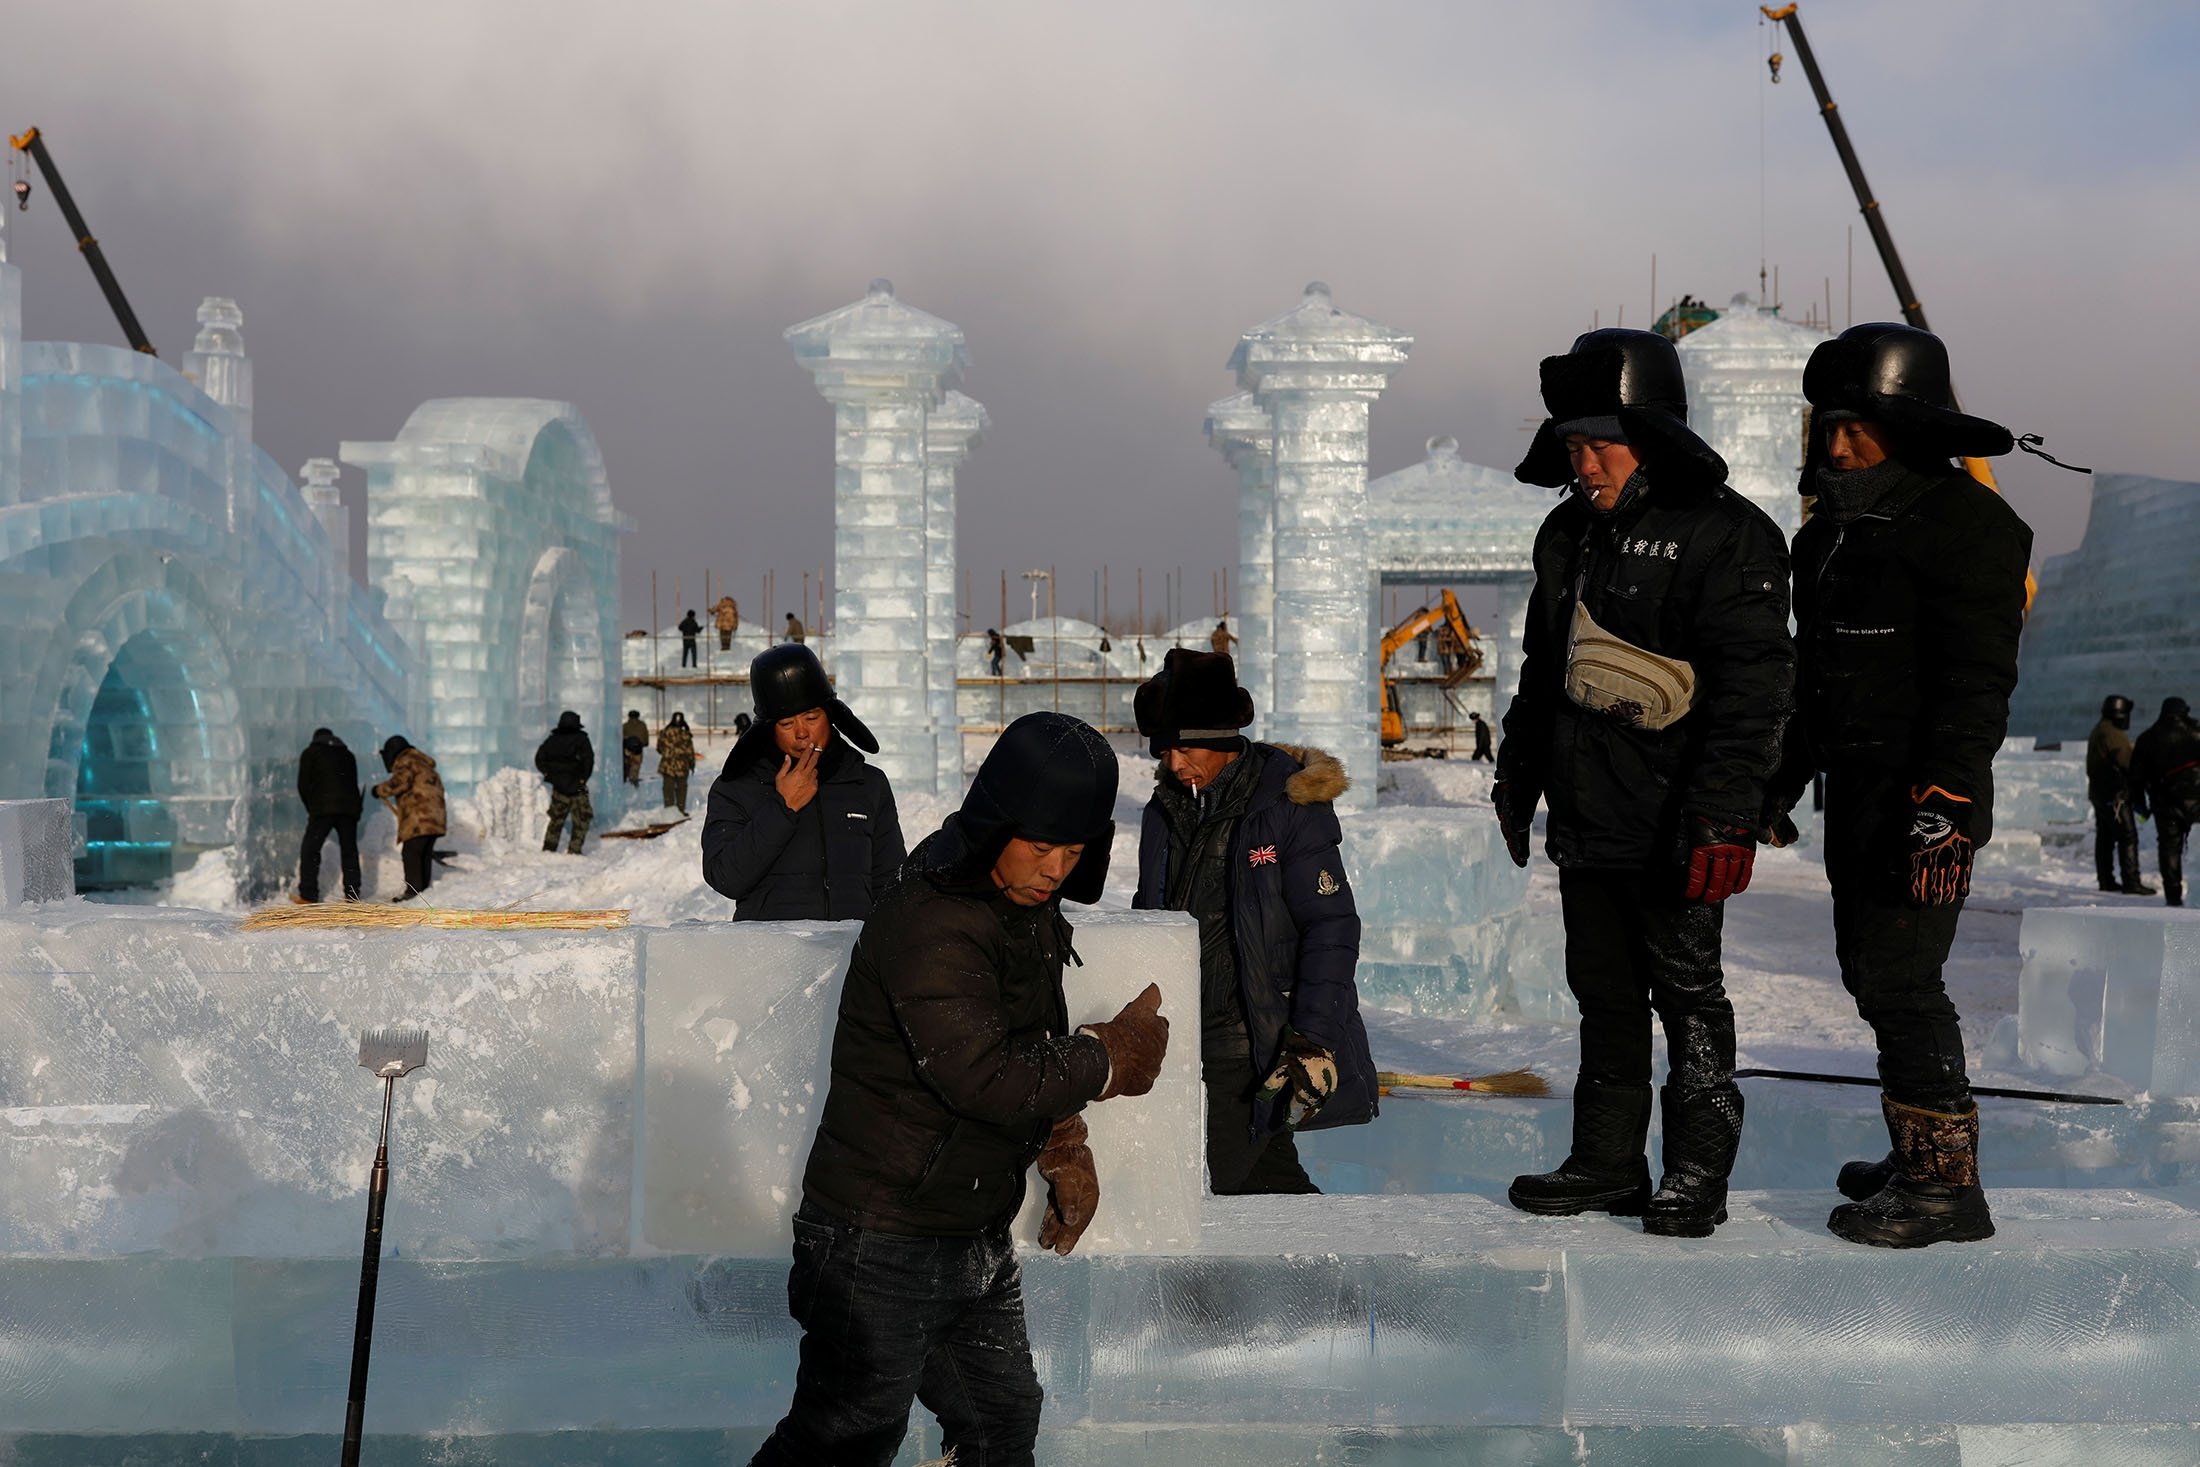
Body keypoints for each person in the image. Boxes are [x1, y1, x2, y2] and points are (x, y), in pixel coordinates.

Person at [747, 713, 1170, 1467]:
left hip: (965, 1226)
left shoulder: (1023, 908)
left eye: (1073, 851)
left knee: (1000, 1419)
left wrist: (1064, 1141)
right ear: (995, 822)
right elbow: (982, 1072)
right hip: (877, 1238)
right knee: (844, 1437)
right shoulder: (935, 916)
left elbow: (1026, 1036)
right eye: (1040, 846)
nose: (1054, 868)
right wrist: (1106, 1059)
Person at [1496, 328, 1795, 1239]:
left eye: (1600, 444)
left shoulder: (1730, 535)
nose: (1582, 464)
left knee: (1688, 994)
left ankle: (1697, 1170)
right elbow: (1543, 670)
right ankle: (1608, 1162)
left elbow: (1754, 690)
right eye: (1571, 446)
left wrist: (1725, 816)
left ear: (1653, 436)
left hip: (1677, 818)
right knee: (1605, 995)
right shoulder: (1566, 533)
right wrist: (1519, 777)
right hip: (1589, 814)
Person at [1766, 322, 2034, 1249]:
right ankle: (1914, 1147)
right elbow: (1813, 681)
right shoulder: (1828, 539)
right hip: (1860, 797)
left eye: (1862, 428)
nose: (1839, 446)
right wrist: (1779, 783)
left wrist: (1947, 805)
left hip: (1927, 802)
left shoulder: (1973, 526)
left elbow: (1976, 679)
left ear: (1912, 427)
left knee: (1902, 976)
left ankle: (1944, 1188)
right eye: (1830, 427)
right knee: (1869, 972)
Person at [1132, 649, 1379, 1194]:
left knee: (1202, 1191)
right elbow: (1149, 917)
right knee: (1268, 1189)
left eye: (1186, 747)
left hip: (1250, 1044)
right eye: (1164, 749)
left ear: (1222, 740)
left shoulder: (1284, 806)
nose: (1174, 763)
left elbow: (1331, 925)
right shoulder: (1165, 809)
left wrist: (1313, 1040)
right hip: (1183, 1037)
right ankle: (1331, 1280)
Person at [702, 644, 904, 920]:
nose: (801, 733)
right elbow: (725, 878)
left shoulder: (868, 784)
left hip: (850, 956)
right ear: (768, 728)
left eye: (812, 718)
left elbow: (890, 884)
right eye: (786, 724)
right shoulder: (736, 788)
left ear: (831, 717)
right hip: (769, 956)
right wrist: (781, 808)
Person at [2133, 697, 2200, 908]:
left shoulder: (2147, 739)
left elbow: (2135, 777)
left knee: (2170, 848)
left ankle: (2173, 896)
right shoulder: (2197, 734)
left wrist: (2139, 804)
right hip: (2197, 801)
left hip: (2165, 804)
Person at [2087, 694, 2152, 894]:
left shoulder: (2101, 729)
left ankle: (2106, 880)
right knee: (2128, 837)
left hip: (2100, 793)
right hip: (2115, 796)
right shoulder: (2112, 734)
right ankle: (2131, 882)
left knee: (2105, 838)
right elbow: (2128, 764)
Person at [371, 735, 446, 902]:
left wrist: (379, 790)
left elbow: (399, 782)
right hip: (435, 817)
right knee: (423, 853)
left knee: (411, 852)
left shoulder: (406, 760)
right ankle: (423, 891)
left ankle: (412, 893)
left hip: (420, 817)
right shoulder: (422, 762)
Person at [296, 727, 363, 903]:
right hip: (348, 810)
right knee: (349, 850)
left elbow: (303, 785)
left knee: (310, 849)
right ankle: (352, 894)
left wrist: (312, 808)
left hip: (323, 809)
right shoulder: (348, 755)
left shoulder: (311, 753)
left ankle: (308, 895)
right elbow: (353, 783)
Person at [535, 710, 595, 855]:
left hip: (559, 787)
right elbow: (589, 760)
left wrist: (548, 773)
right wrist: (583, 778)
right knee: (582, 819)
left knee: (556, 820)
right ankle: (574, 850)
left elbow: (539, 758)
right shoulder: (582, 739)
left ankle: (549, 849)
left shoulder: (552, 739)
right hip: (578, 787)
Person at [656, 710, 697, 815]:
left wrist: (668, 753)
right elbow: (690, 752)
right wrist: (692, 764)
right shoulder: (686, 734)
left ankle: (669, 810)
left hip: (667, 764)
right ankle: (680, 810)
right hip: (682, 765)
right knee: (681, 788)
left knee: (668, 788)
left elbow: (659, 748)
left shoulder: (665, 733)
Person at [621, 709, 649, 787]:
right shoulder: (642, 725)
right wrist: (645, 743)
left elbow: (621, 737)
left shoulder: (625, 725)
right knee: (636, 764)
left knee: (627, 764)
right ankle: (633, 779)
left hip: (627, 749)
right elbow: (645, 736)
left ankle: (625, 778)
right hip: (638, 749)